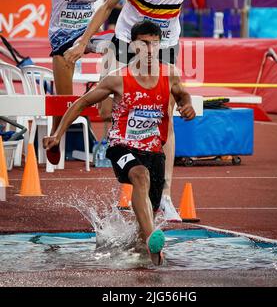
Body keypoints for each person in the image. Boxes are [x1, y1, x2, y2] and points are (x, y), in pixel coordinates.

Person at [63, 0, 231, 220]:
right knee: (109, 106)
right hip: (125, 42)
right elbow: (107, 6)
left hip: (165, 46)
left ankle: (164, 194)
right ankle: (120, 155)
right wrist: (80, 44)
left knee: (163, 115)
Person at [43, 20, 196, 266]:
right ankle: (151, 242)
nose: (149, 49)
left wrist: (186, 104)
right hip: (122, 146)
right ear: (133, 45)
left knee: (147, 214)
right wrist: (58, 134)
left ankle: (138, 249)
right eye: (144, 43)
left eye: (154, 44)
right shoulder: (118, 79)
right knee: (140, 176)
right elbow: (81, 103)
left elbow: (182, 93)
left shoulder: (170, 73)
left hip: (154, 150)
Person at [40, 0, 124, 144]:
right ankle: (55, 135)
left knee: (118, 45)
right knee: (65, 102)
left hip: (88, 33)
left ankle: (106, 100)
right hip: (62, 38)